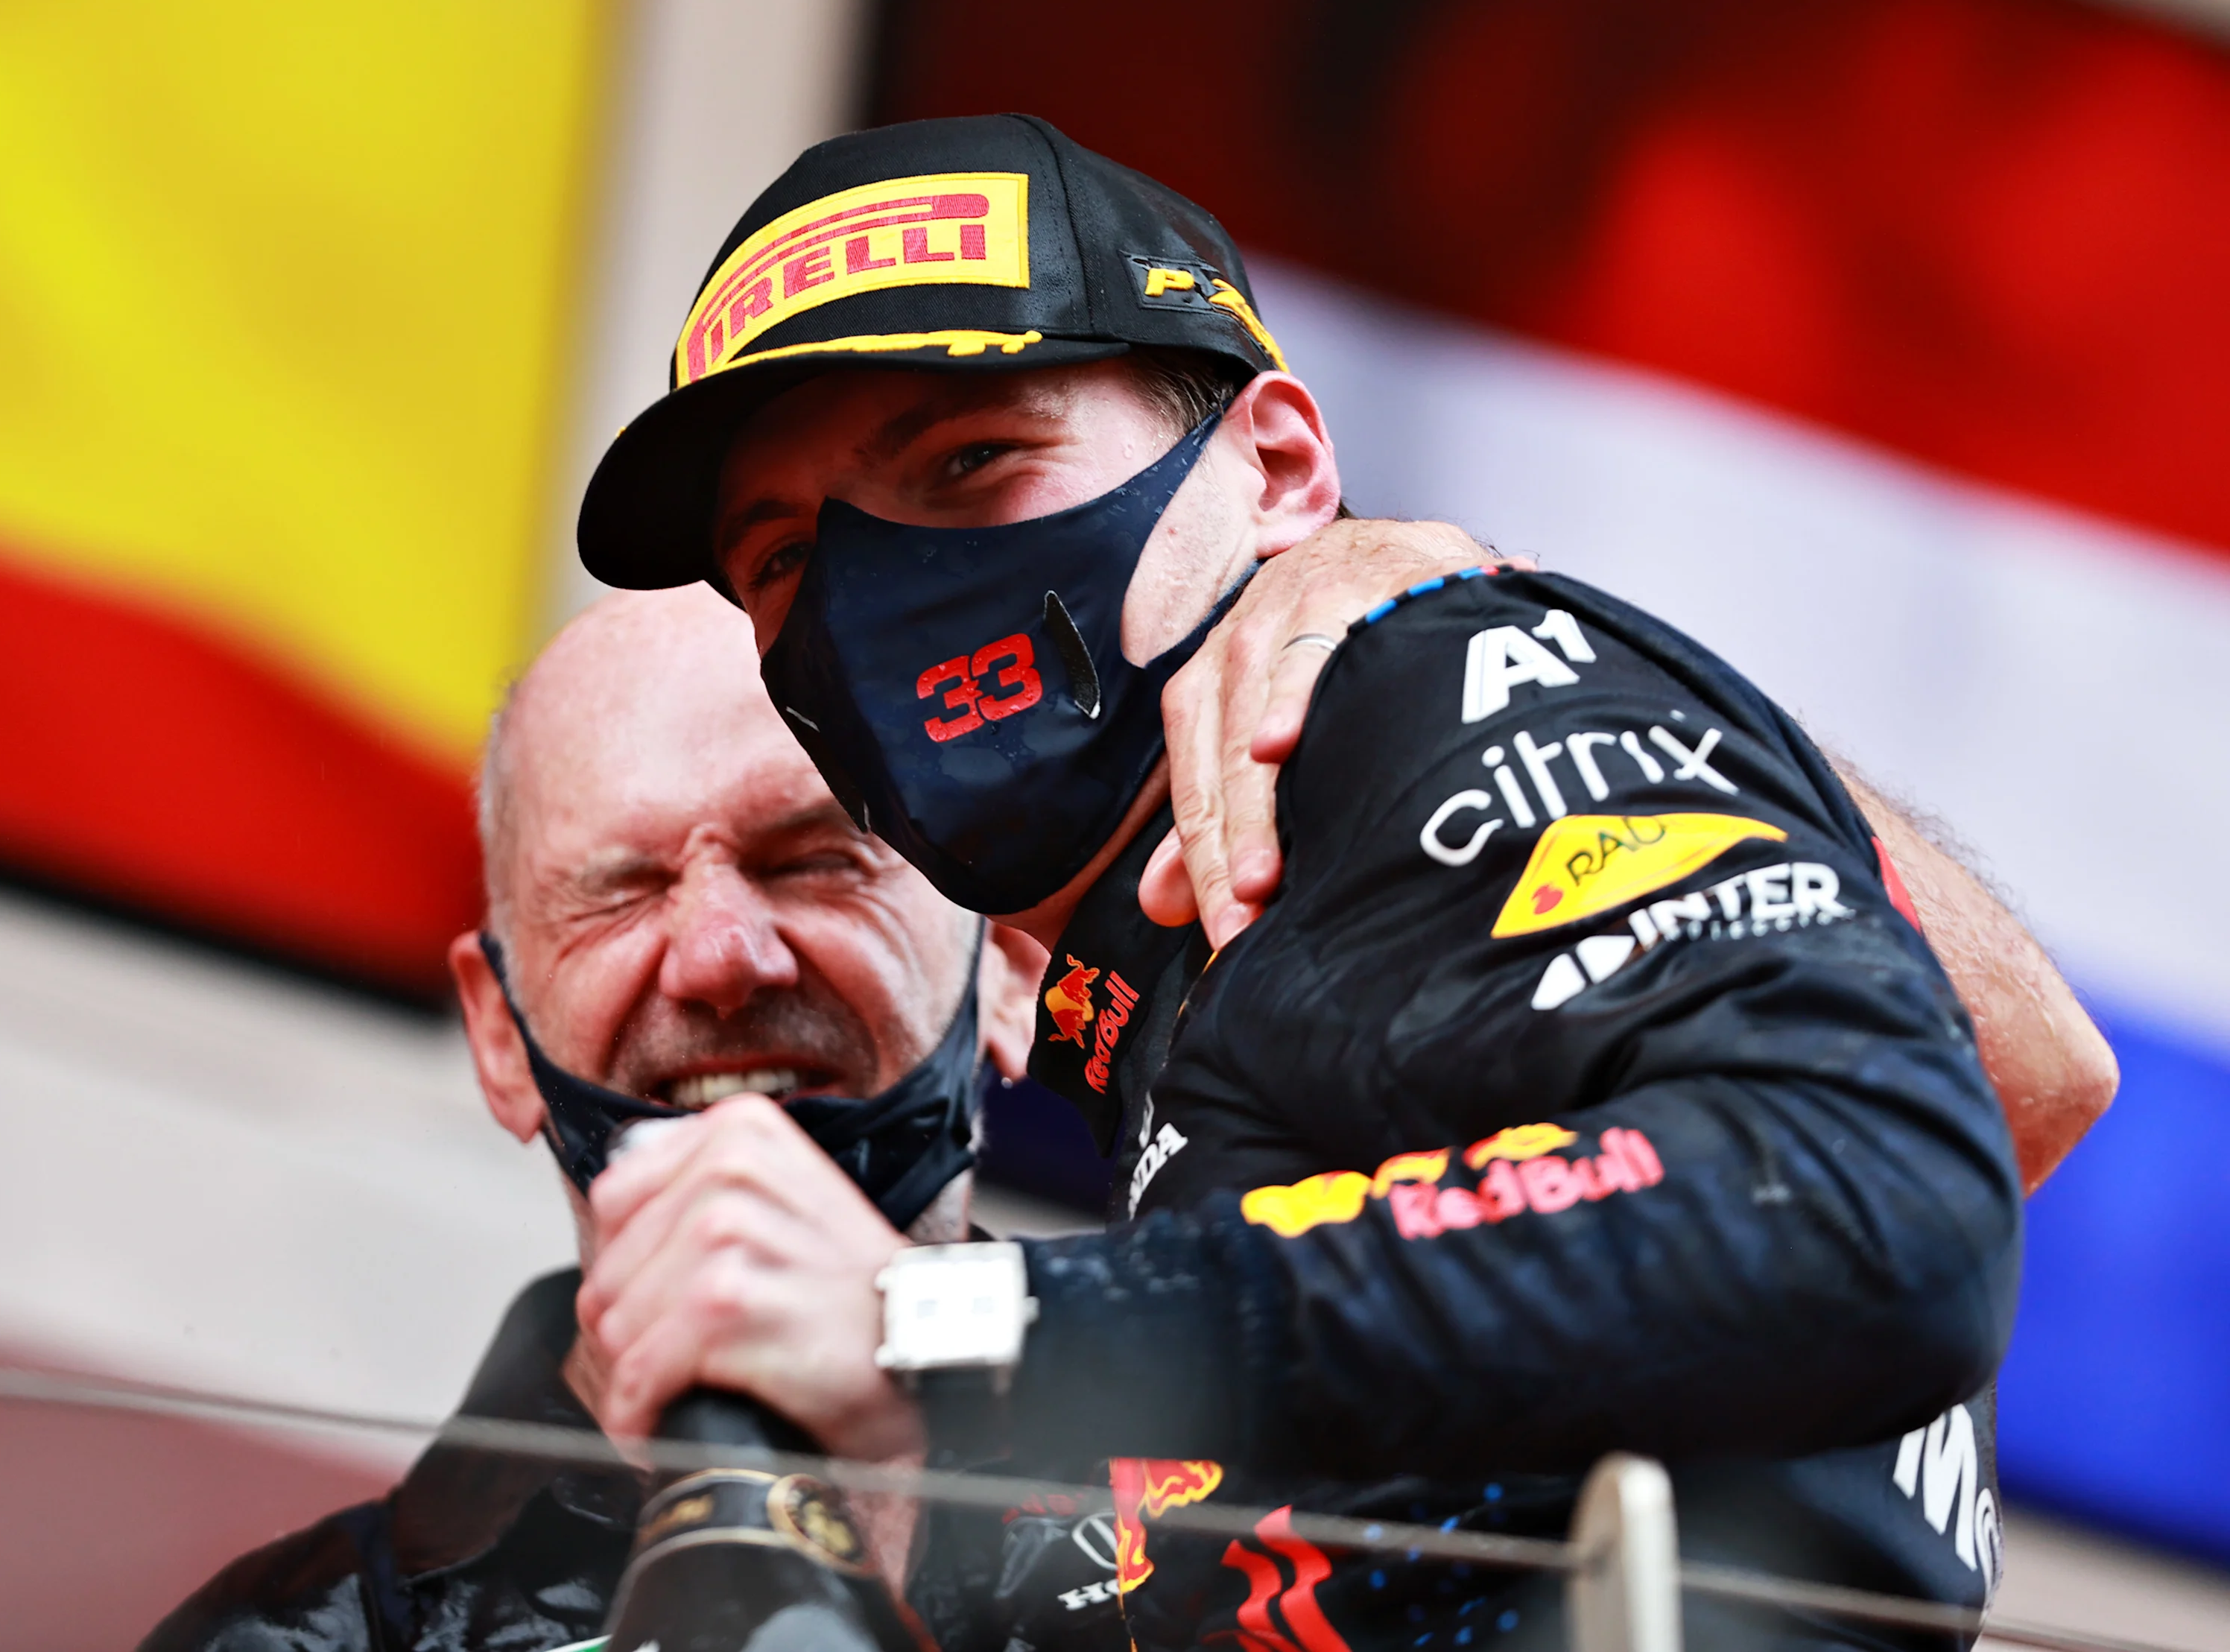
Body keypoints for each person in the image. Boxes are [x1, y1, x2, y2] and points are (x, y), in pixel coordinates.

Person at [563, 114, 2117, 1649]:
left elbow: (1860, 1187)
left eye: (970, 459)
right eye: (780, 559)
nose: (866, 590)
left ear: (1279, 463)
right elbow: (2003, 1075)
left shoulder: (1394, 700)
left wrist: (951, 1331)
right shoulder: (1189, 948)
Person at [142, 587, 1144, 1652]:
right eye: (618, 892)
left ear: (1015, 972)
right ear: (498, 1036)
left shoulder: (1262, 1539)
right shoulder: (297, 1641)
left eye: (811, 860)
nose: (717, 959)